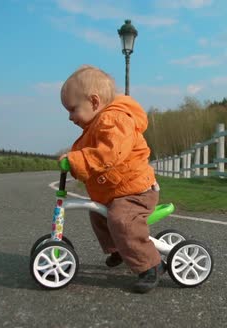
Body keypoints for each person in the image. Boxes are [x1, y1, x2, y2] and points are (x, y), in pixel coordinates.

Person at [58, 65, 163, 294]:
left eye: (73, 109)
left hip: (136, 191)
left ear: (94, 101)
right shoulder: (94, 125)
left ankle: (151, 265)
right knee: (97, 213)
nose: (70, 117)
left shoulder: (114, 119)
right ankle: (120, 249)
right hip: (117, 191)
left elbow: (109, 153)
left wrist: (77, 161)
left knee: (121, 220)